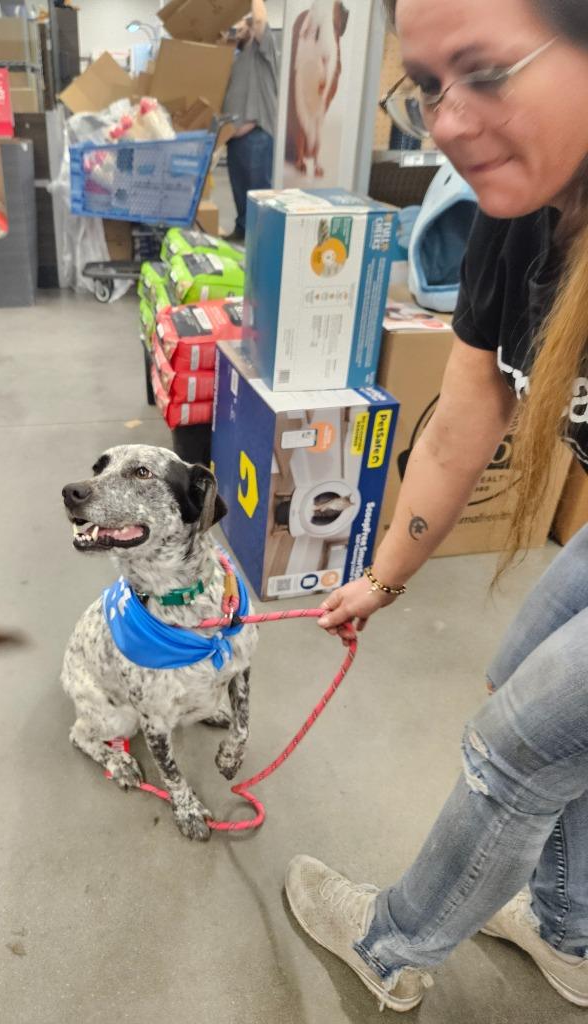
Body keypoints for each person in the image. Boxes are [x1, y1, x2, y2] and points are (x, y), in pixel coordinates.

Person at [284, 0, 588, 1012]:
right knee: (521, 676)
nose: (450, 119)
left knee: (519, 745)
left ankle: (391, 945)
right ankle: (570, 927)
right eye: (427, 87)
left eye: (485, 70)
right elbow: (465, 414)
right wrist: (382, 576)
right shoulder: (517, 214)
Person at [221, 0, 279, 242]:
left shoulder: (262, 49)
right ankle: (243, 230)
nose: (236, 29)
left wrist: (253, 9)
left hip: (257, 135)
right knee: (240, 192)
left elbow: (259, 20)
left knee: (258, 195)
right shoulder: (236, 56)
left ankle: (261, 241)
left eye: (241, 24)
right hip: (236, 139)